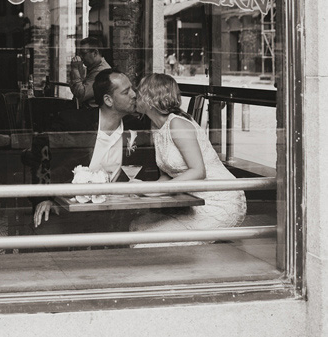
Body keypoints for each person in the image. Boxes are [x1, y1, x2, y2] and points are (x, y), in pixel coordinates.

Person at [130, 73, 246, 243]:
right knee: (137, 226)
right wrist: (145, 190)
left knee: (146, 240)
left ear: (150, 98)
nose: (135, 95)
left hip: (219, 201)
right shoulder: (158, 128)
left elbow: (199, 171)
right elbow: (167, 175)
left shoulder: (177, 124)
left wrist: (154, 191)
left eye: (139, 91)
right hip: (195, 202)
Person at [33, 68, 150, 227]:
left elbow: (144, 167)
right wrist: (44, 197)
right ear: (108, 100)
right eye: (126, 92)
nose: (134, 94)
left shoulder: (135, 127)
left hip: (117, 211)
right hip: (73, 209)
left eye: (133, 89)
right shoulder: (75, 123)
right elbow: (41, 151)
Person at [69, 36, 110, 108]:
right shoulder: (93, 68)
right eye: (80, 53)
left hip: (92, 114)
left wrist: (75, 70)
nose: (81, 57)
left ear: (95, 53)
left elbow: (81, 95)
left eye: (83, 53)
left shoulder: (101, 71)